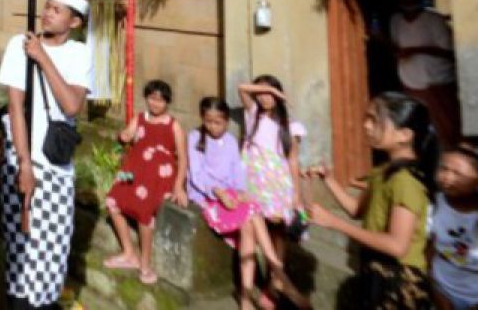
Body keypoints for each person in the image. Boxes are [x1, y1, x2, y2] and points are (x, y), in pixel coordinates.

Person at [0, 0, 92, 310]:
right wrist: (23, 163)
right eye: (47, 6)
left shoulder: (79, 53)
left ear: (74, 21)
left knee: (52, 248)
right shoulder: (19, 45)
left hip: (56, 169)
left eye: (56, 9)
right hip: (22, 159)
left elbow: (71, 106)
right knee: (19, 246)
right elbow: (15, 107)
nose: (47, 13)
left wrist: (43, 59)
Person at [307, 92, 438, 309]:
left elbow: (397, 246)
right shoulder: (382, 172)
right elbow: (357, 210)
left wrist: (334, 222)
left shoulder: (406, 182)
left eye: (375, 120)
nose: (366, 126)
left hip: (400, 280)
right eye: (366, 119)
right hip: (376, 271)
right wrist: (329, 180)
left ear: (404, 134)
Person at [186, 98, 308, 310]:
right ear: (202, 119)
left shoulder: (232, 141)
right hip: (208, 198)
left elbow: (237, 173)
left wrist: (240, 192)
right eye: (209, 122)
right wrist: (217, 191)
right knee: (251, 216)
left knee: (249, 226)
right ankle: (279, 275)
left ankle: (245, 297)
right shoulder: (195, 137)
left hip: (230, 197)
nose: (214, 127)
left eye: (219, 122)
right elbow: (197, 175)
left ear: (226, 121)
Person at [104, 79, 188, 286]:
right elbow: (128, 135)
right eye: (152, 98)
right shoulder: (140, 118)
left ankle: (145, 263)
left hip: (160, 175)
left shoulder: (173, 125)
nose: (155, 104)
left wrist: (178, 186)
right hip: (134, 169)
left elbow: (183, 157)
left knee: (144, 211)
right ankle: (129, 252)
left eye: (160, 100)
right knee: (112, 200)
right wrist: (123, 136)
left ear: (167, 102)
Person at [238, 74, 306, 303]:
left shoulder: (291, 125)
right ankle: (255, 288)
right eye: (262, 93)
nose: (265, 98)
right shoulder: (253, 114)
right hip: (253, 180)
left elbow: (293, 161)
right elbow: (241, 88)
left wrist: (296, 196)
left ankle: (272, 286)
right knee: (253, 227)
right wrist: (273, 92)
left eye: (271, 93)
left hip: (278, 182)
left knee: (277, 233)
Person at [388, 0, 460, 147]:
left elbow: (448, 52)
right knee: (419, 128)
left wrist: (416, 50)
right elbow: (396, 46)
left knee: (446, 128)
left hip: (436, 81)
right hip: (410, 80)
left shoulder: (433, 19)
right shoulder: (396, 21)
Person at [428, 141, 478, 310]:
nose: (447, 177)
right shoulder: (435, 203)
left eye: (457, 173)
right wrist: (436, 290)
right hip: (441, 290)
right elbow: (429, 248)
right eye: (444, 169)